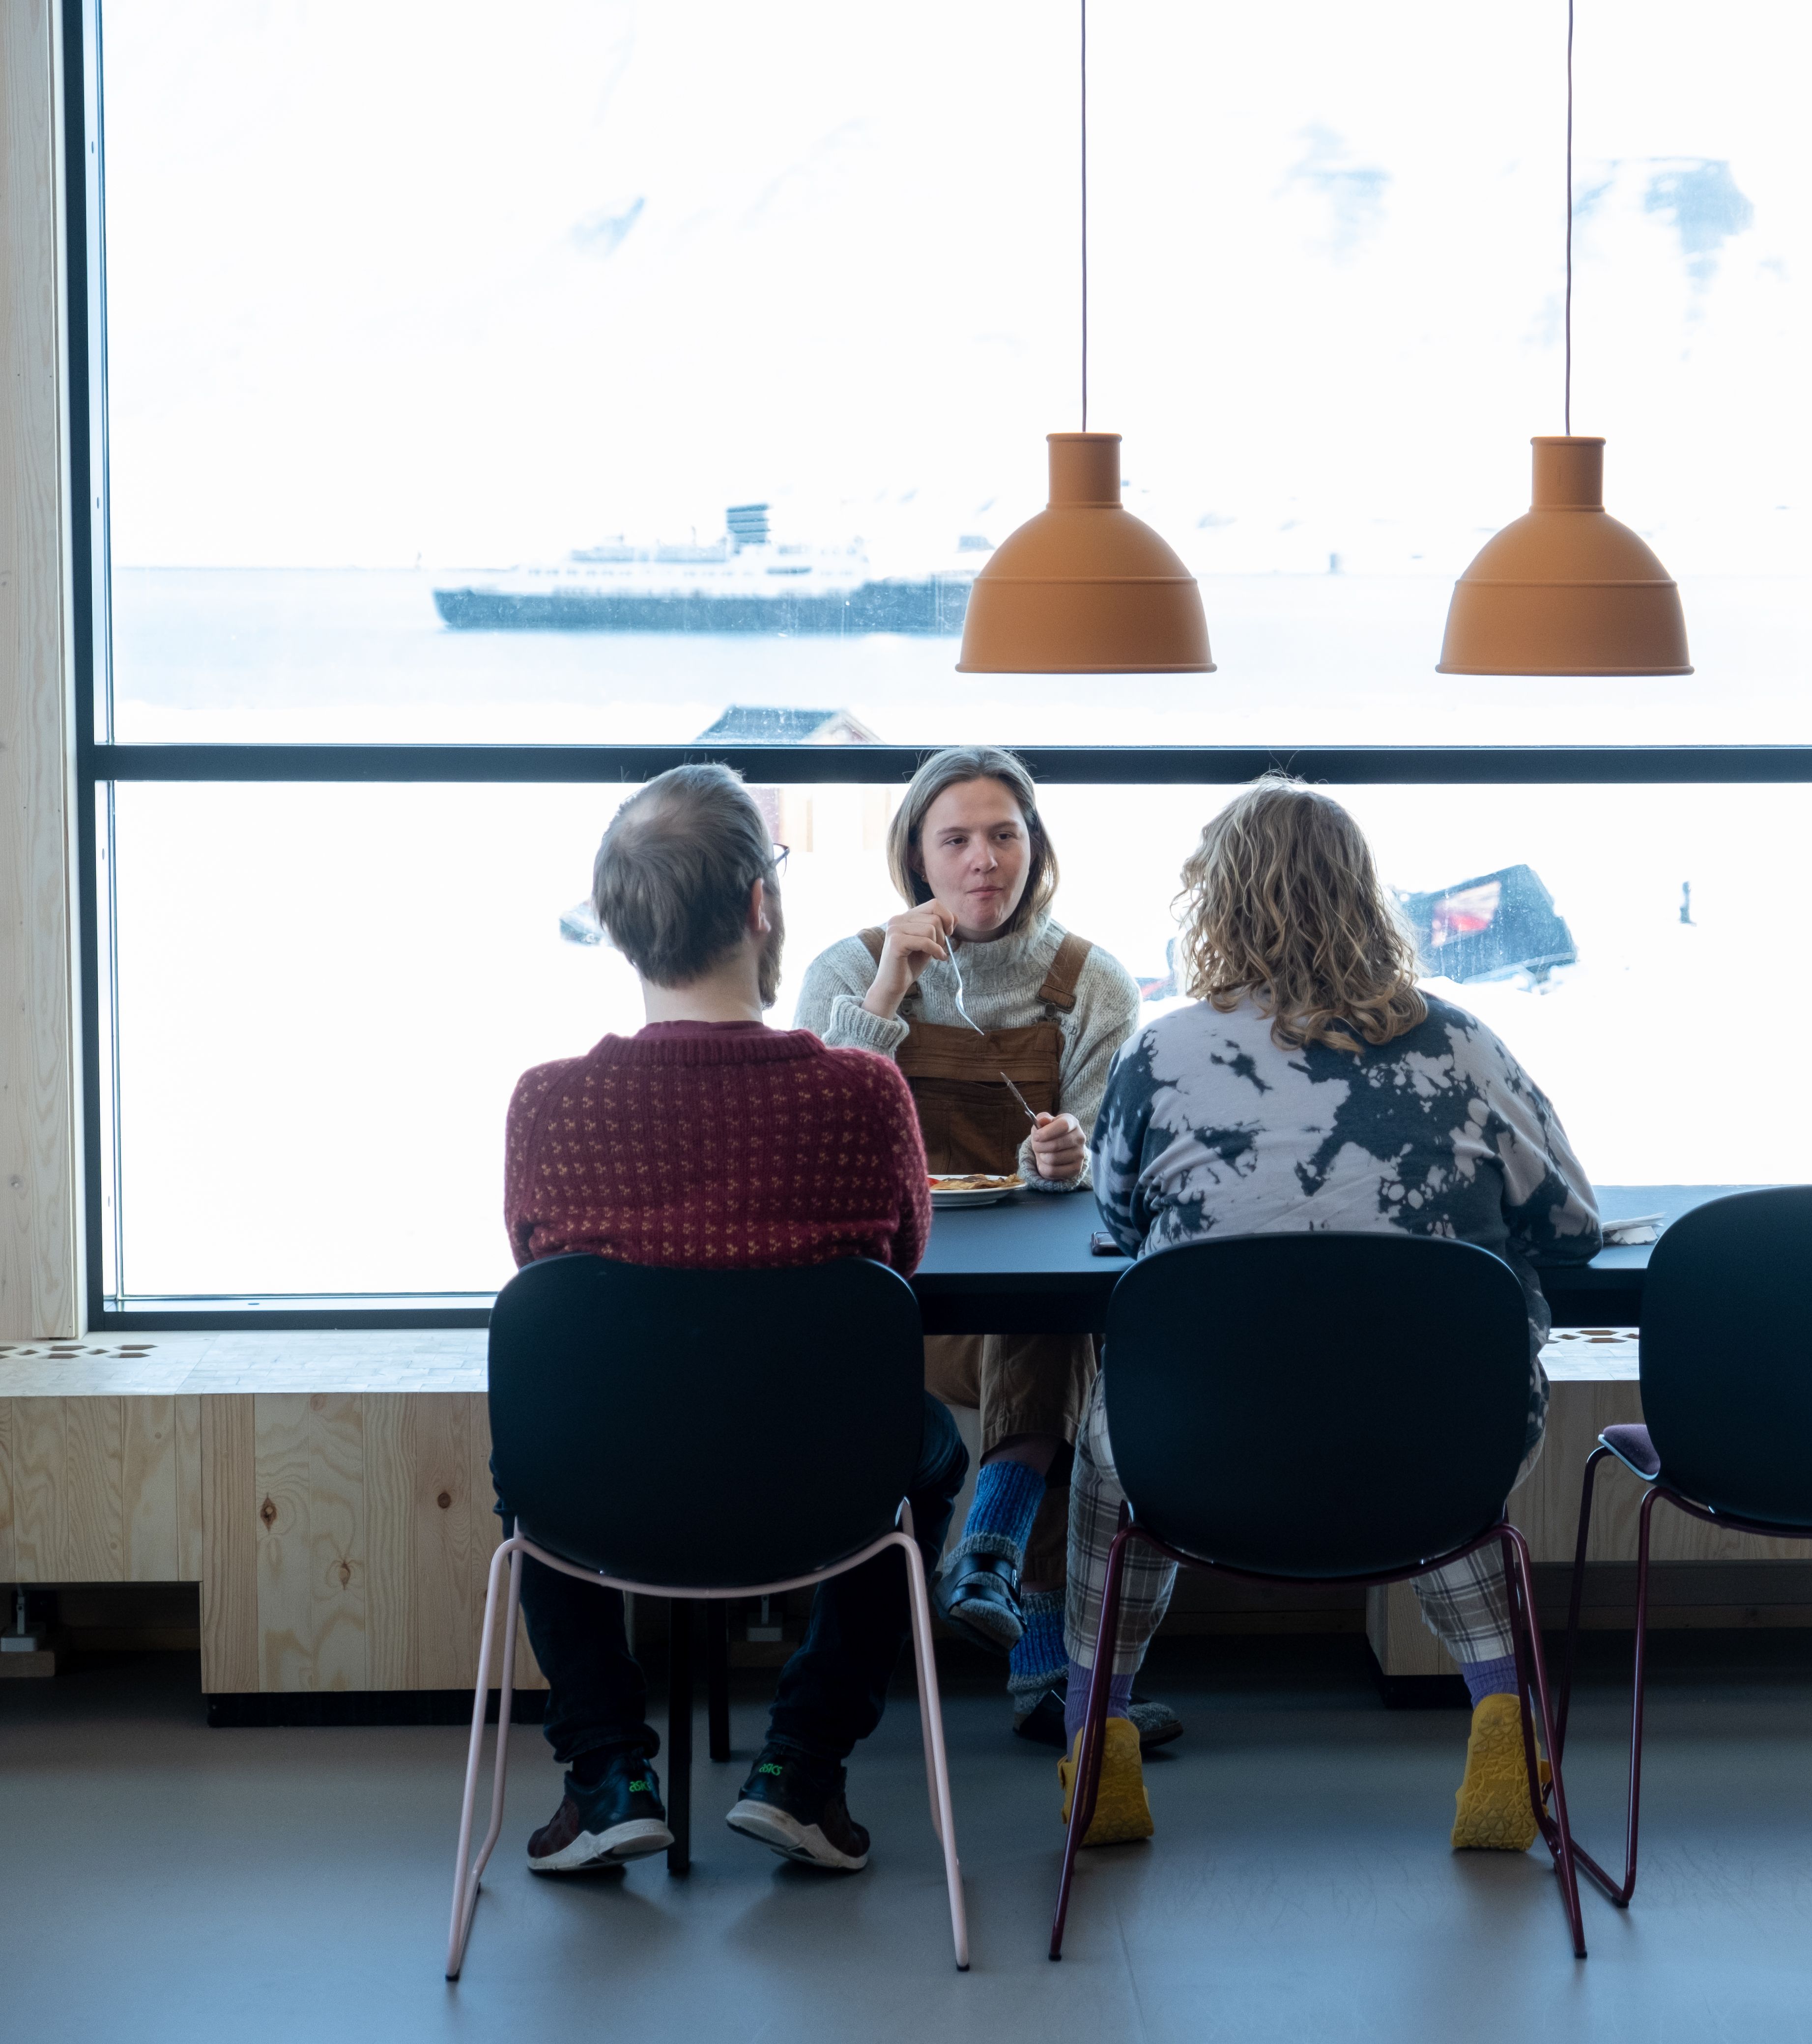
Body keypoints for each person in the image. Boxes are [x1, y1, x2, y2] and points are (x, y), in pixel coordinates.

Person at [1060, 776, 1601, 1849]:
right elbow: (1571, 1224)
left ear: (1216, 904)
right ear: (1367, 894)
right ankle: (1505, 1717)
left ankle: (1097, 1736)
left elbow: (1121, 1223)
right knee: (1431, 1410)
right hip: (1435, 1438)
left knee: (1115, 1448)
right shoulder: (1464, 1045)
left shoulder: (1161, 1055)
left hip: (1206, 1447)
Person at [500, 763, 965, 1877]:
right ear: (761, 905)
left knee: (532, 1453)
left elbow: (544, 1280)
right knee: (928, 1446)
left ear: (617, 923)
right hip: (818, 1492)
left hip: (611, 1494)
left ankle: (607, 1771)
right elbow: (899, 1267)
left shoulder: (547, 1104)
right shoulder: (865, 1095)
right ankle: (802, 1762)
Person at [795, 745, 1176, 1751]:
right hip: (886, 1312)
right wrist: (889, 988)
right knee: (1060, 1341)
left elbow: (1104, 1177)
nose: (983, 861)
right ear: (916, 856)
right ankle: (1040, 1664)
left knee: (1051, 1313)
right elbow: (817, 1145)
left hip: (1012, 1317)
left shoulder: (1091, 981)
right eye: (956, 839)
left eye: (1005, 835)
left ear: (1035, 846)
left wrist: (1062, 1157)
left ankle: (992, 1552)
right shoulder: (848, 968)